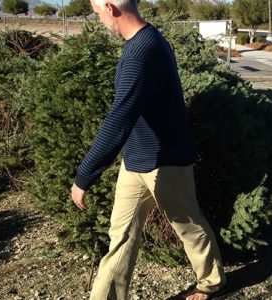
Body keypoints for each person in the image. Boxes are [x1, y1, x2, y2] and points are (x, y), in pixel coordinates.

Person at [70, 0, 225, 299]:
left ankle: (211, 281)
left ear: (110, 8)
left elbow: (119, 120)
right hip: (136, 160)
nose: (98, 20)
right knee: (121, 235)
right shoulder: (140, 42)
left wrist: (83, 177)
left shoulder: (144, 51)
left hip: (167, 160)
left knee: (188, 226)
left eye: (97, 12)